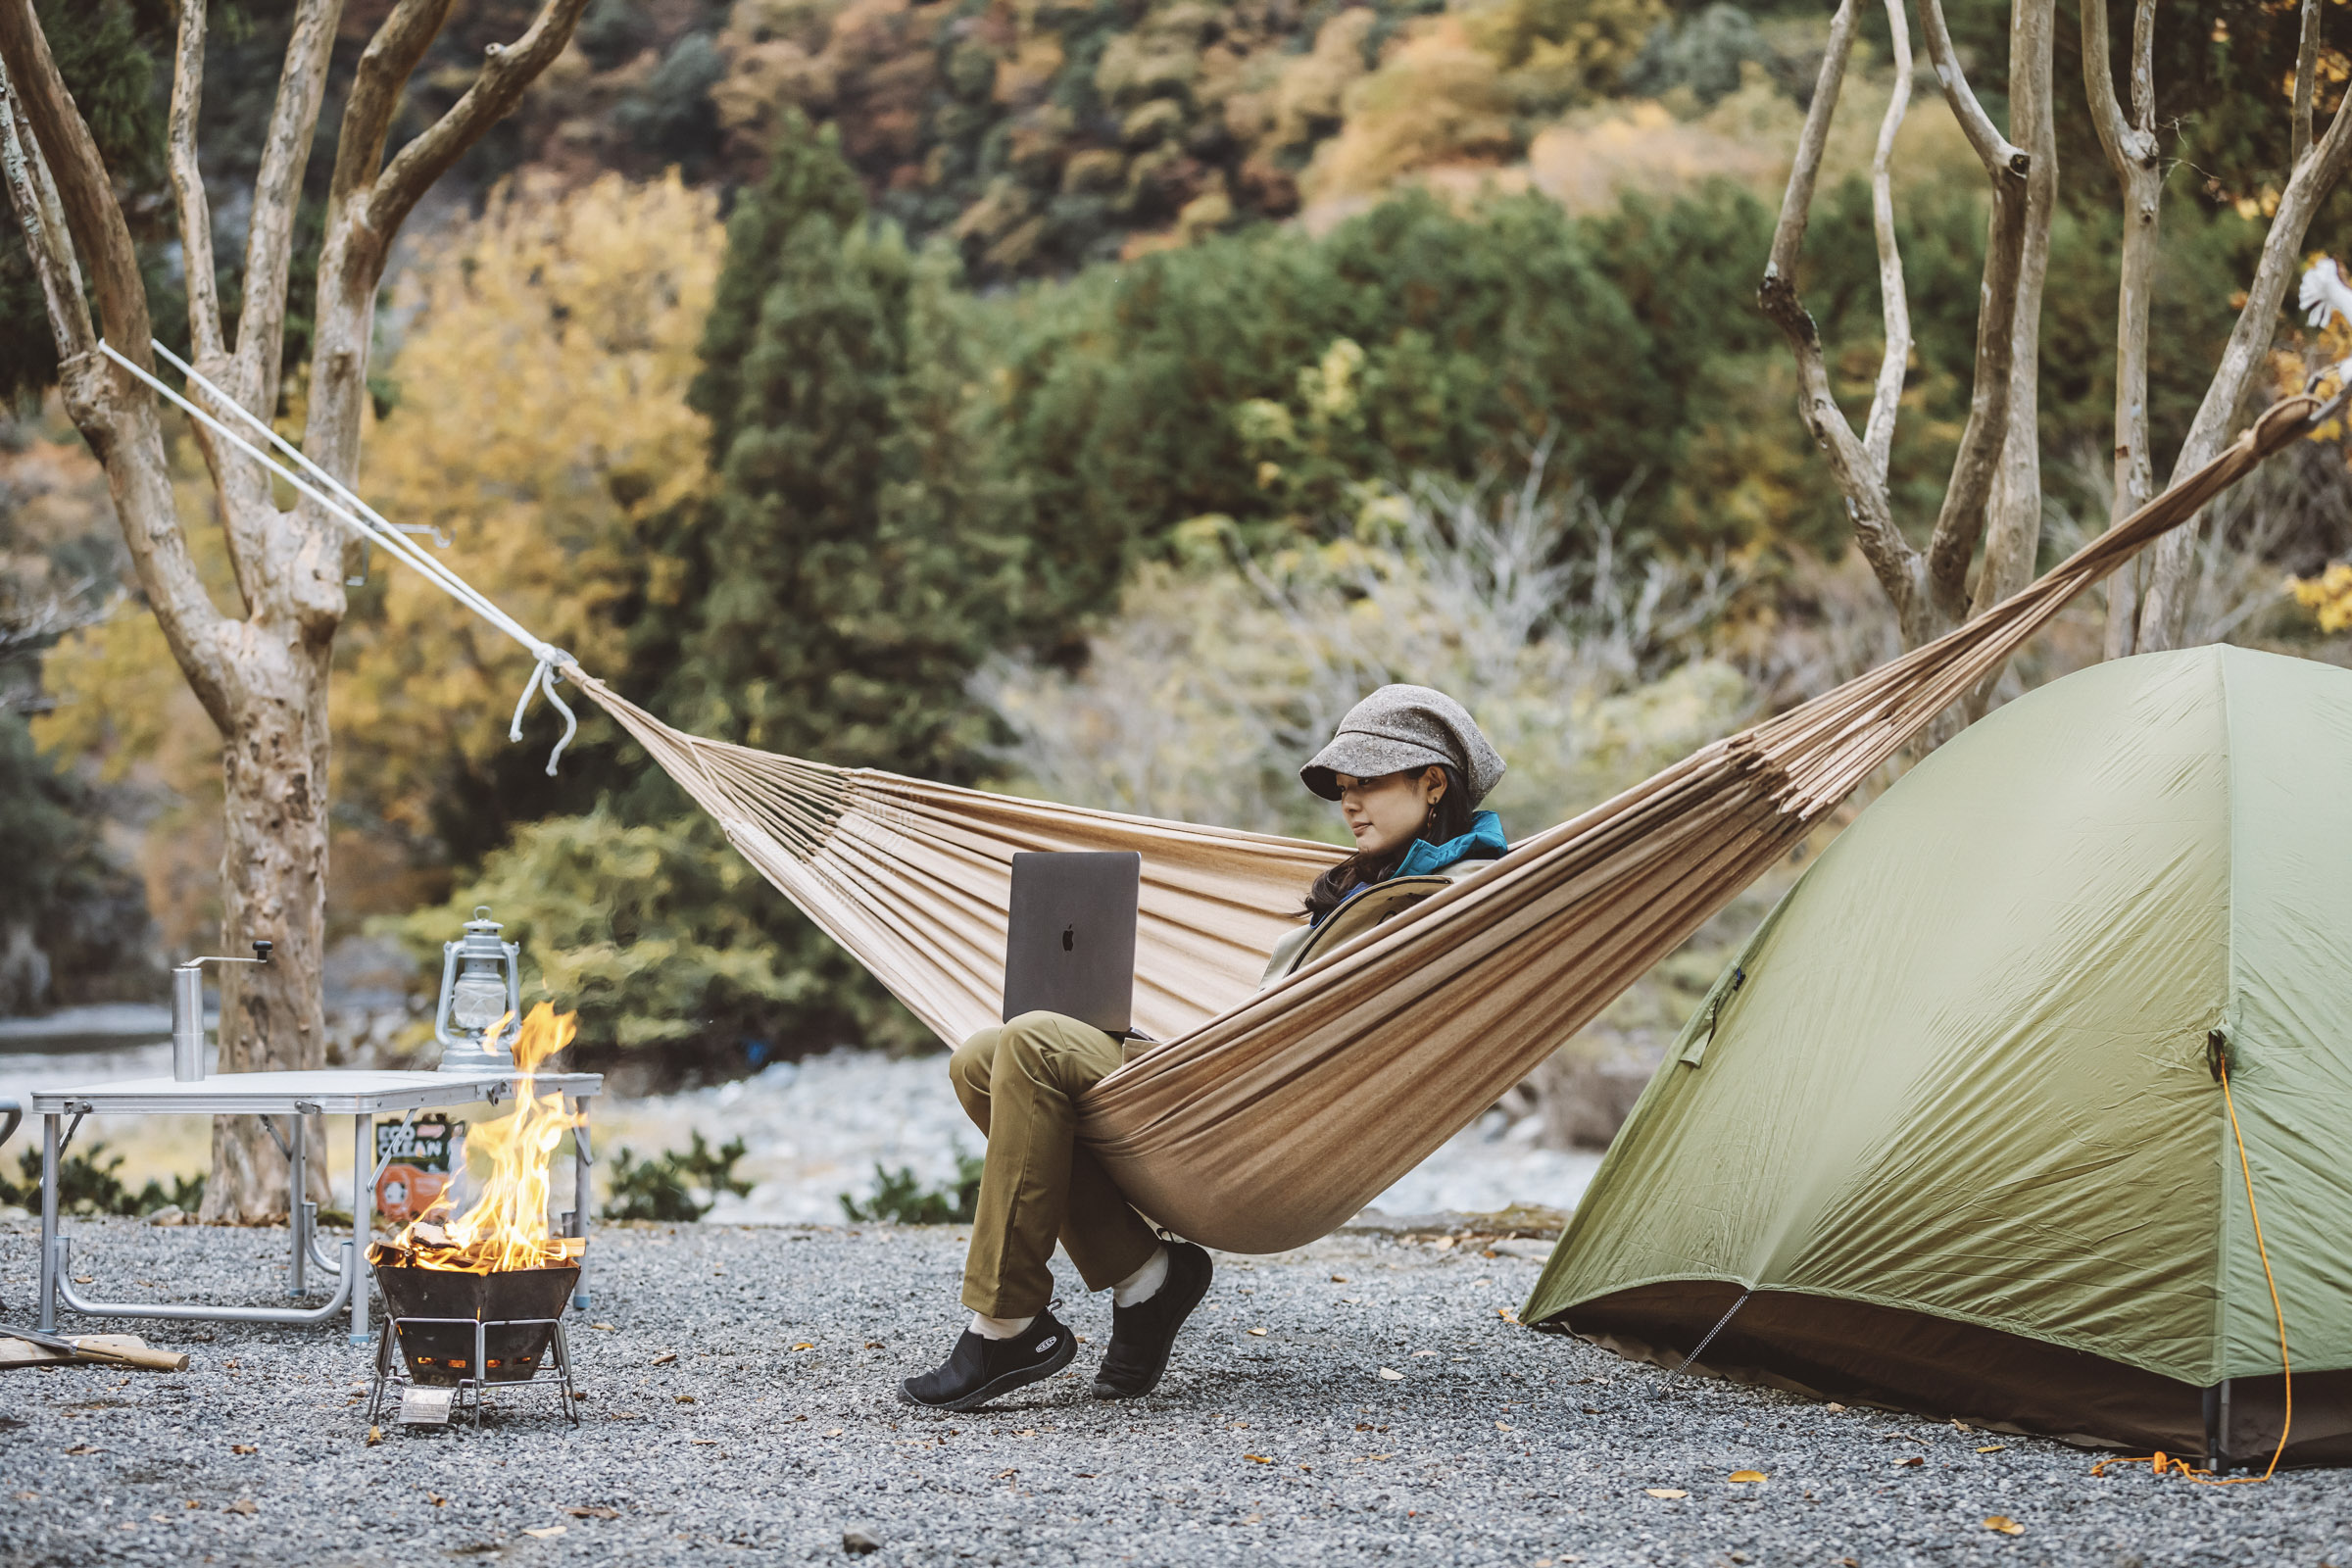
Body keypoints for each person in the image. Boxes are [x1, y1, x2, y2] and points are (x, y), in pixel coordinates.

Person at [901, 685, 1507, 1411]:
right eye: (1343, 788)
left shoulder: (1461, 891)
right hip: (1229, 1080)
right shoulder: (1369, 882)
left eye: (1368, 783)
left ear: (1433, 781)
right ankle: (1147, 1279)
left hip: (1276, 1116)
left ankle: (1005, 1323)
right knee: (981, 1058)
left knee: (1031, 1043)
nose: (1349, 804)